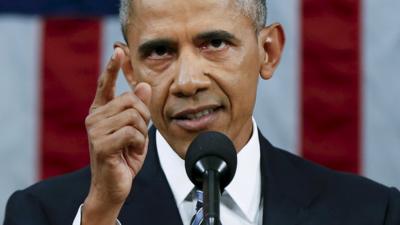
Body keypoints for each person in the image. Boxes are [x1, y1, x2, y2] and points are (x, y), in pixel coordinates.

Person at [3, 0, 400, 224]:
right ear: (130, 70)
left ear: (268, 52)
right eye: (160, 51)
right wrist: (102, 214)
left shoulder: (371, 213)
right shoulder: (45, 214)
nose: (188, 81)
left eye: (214, 43)